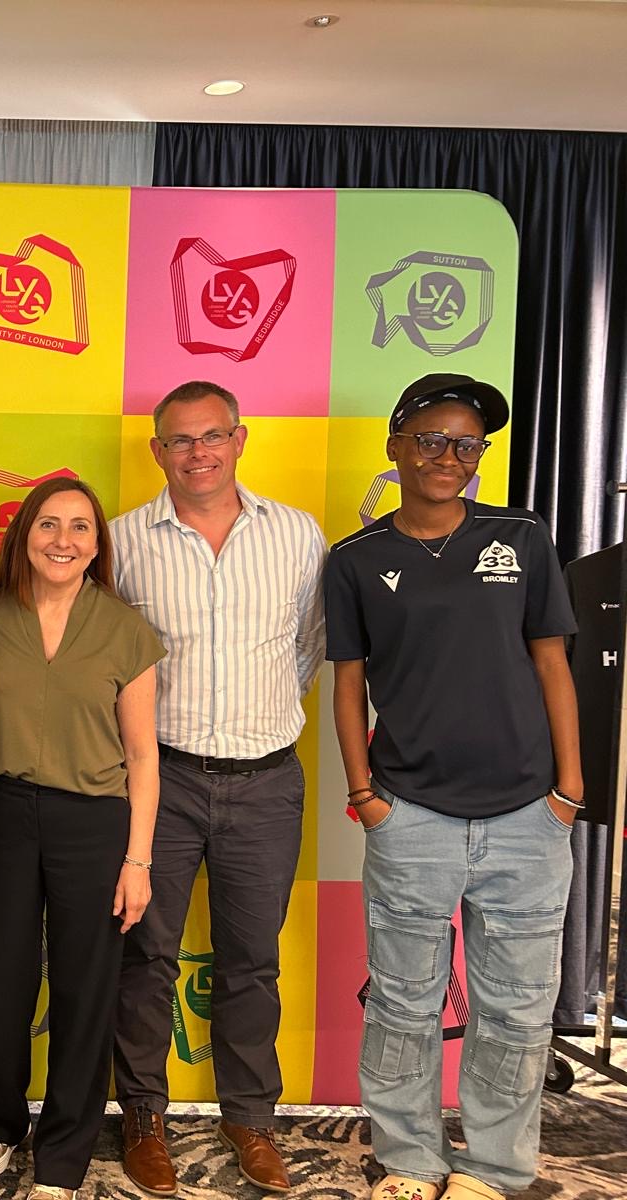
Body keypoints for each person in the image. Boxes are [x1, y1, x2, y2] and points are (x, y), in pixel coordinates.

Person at [325, 373, 581, 1200]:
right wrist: (366, 795)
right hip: (414, 816)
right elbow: (347, 684)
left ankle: (494, 1168)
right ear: (396, 447)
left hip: (527, 817)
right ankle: (408, 1160)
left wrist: (568, 793)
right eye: (431, 439)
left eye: (467, 445)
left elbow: (553, 664)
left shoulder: (522, 537)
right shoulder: (356, 561)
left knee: (514, 1009)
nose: (449, 457)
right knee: (403, 1001)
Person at [109, 380, 325, 1196]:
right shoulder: (125, 541)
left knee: (252, 962)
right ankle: (143, 1117)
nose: (197, 453)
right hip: (161, 782)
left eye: (212, 437)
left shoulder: (299, 537)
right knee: (146, 956)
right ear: (157, 451)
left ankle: (251, 1119)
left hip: (267, 781)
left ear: (241, 439)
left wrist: (255, 720)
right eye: (179, 441)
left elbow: (308, 647)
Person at [0, 477, 163, 1200]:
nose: (63, 540)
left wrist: (138, 860)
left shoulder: (124, 628)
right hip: (1, 815)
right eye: (48, 525)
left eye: (79, 527)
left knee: (84, 987)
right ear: (23, 535)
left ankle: (66, 1147)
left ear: (98, 544)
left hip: (94, 822)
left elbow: (143, 756)